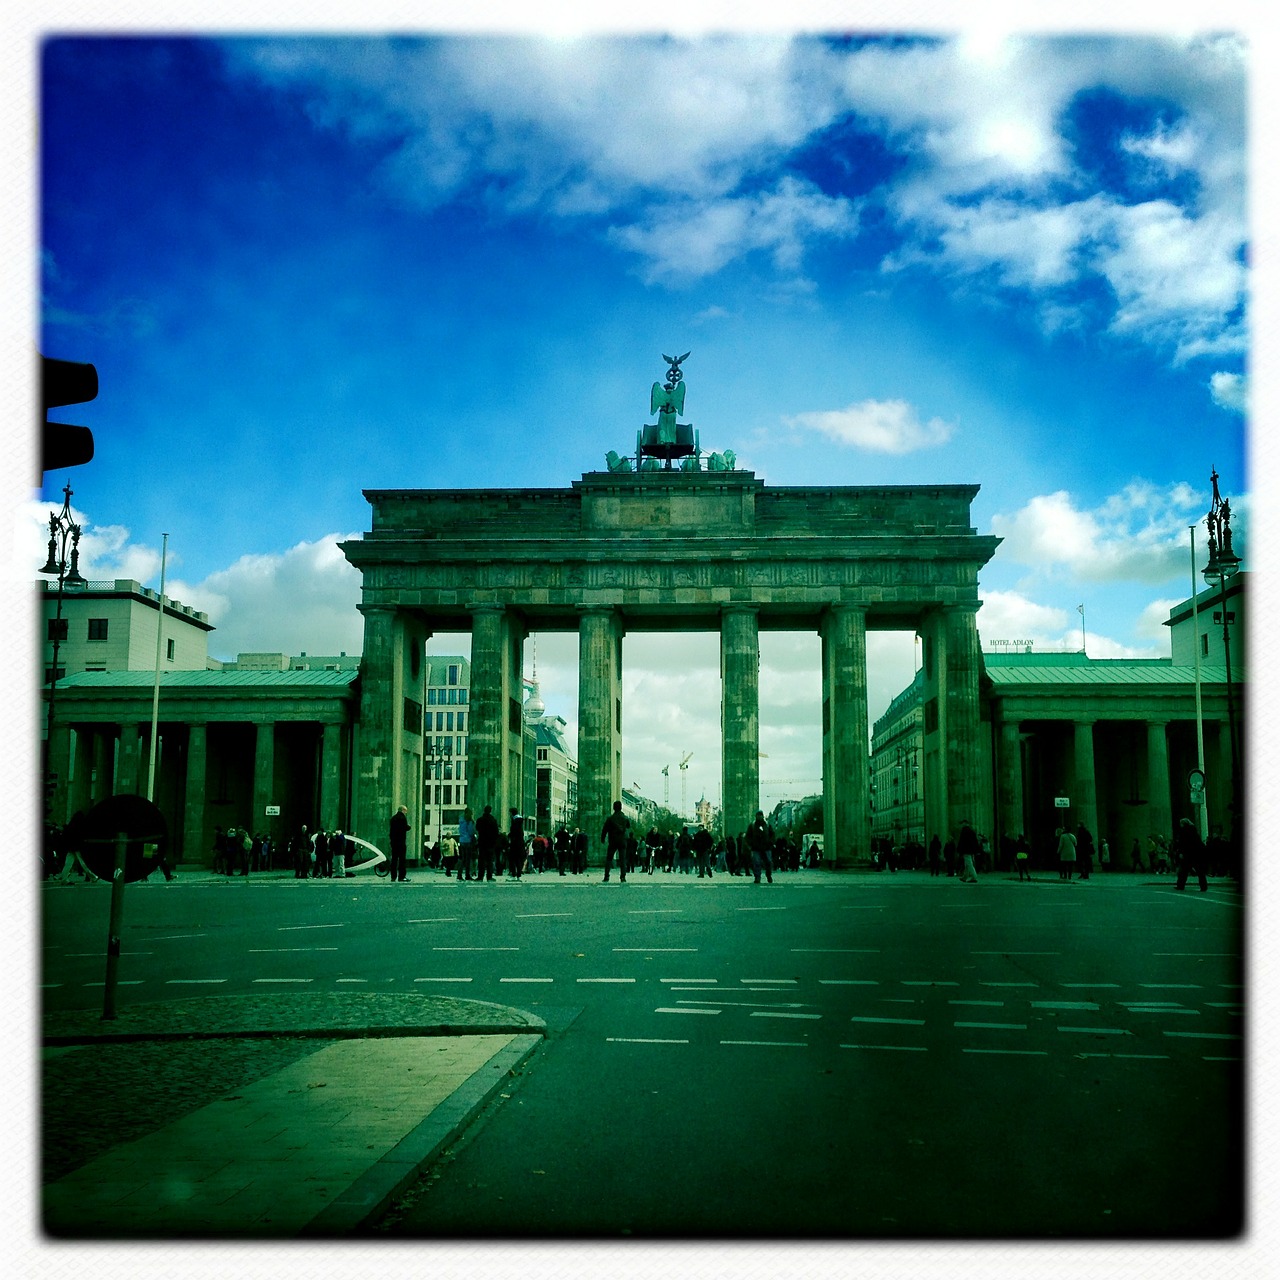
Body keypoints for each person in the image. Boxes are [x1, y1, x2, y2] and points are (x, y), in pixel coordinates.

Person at [1174, 818, 1209, 892]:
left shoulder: (1184, 832)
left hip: (1188, 854)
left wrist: (1181, 852)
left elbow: (1183, 843)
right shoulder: (1194, 831)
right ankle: (1204, 886)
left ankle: (1180, 885)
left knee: (1183, 871)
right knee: (1200, 872)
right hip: (1197, 854)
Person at [601, 800, 630, 882]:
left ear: (614, 808)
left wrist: (602, 838)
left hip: (613, 841)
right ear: (621, 807)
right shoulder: (625, 818)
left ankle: (606, 876)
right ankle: (623, 877)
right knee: (622, 859)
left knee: (609, 859)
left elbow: (604, 830)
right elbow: (628, 826)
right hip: (622, 841)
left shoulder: (610, 819)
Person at [745, 811, 774, 884]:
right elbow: (747, 837)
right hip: (756, 848)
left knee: (768, 862)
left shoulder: (767, 825)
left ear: (763, 816)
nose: (759, 817)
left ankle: (769, 876)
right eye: (758, 815)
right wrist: (751, 844)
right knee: (756, 863)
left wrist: (770, 843)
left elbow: (772, 834)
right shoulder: (752, 825)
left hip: (766, 847)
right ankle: (757, 877)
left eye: (760, 815)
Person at [476, 804, 500, 881]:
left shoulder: (480, 820)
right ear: (490, 811)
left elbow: (477, 828)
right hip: (490, 843)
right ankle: (489, 876)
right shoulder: (493, 820)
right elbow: (496, 832)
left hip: (482, 842)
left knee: (481, 860)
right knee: (490, 860)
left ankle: (480, 876)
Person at [388, 805, 411, 882]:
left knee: (394, 859)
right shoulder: (402, 818)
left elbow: (392, 831)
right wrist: (408, 827)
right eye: (405, 810)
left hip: (394, 842)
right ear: (403, 810)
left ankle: (393, 876)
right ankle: (401, 876)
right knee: (402, 860)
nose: (406, 812)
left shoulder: (393, 818)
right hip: (401, 842)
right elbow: (404, 828)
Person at [457, 807, 477, 881]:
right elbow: (471, 831)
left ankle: (459, 874)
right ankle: (467, 875)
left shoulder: (461, 820)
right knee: (468, 859)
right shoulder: (469, 821)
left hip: (462, 840)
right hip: (468, 841)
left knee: (463, 859)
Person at [507, 809, 525, 879]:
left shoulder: (515, 821)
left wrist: (510, 836)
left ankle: (514, 874)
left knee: (512, 859)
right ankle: (518, 875)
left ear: (512, 813)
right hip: (520, 843)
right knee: (518, 859)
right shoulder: (519, 821)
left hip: (515, 843)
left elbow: (514, 832)